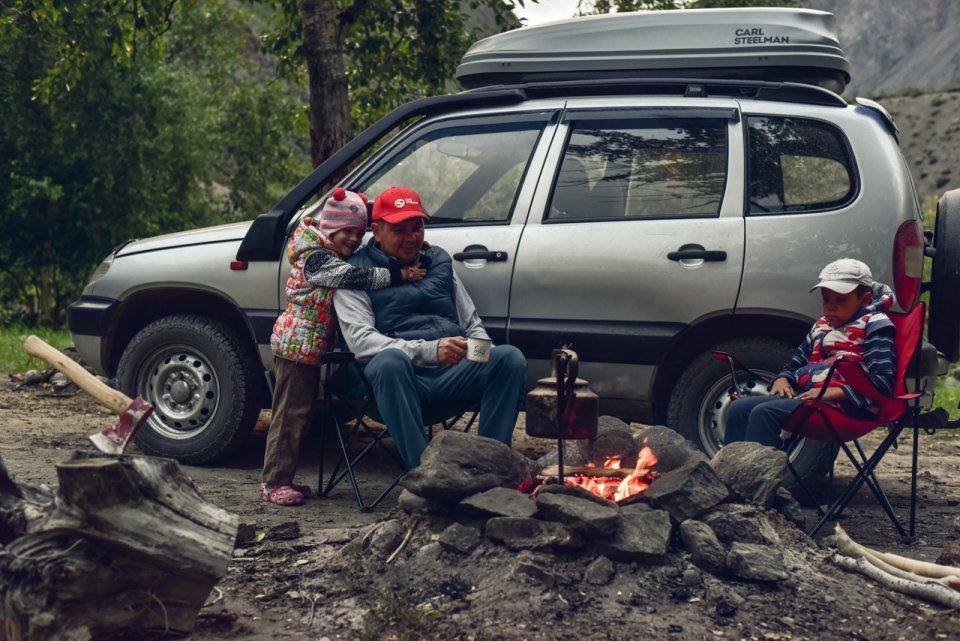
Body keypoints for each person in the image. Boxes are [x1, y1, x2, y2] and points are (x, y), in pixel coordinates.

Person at [333, 186, 528, 469]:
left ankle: (490, 469)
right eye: (400, 230)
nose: (411, 238)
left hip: (451, 375)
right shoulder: (355, 273)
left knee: (507, 358)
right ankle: (425, 475)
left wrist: (483, 354)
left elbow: (471, 323)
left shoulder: (438, 261)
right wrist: (430, 351)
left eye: (418, 227)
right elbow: (361, 342)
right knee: (389, 362)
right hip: (396, 382)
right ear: (376, 230)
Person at [261, 187, 425, 506]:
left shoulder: (326, 252)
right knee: (289, 415)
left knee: (300, 412)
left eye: (358, 232)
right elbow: (354, 277)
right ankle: (273, 482)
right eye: (346, 231)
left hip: (307, 348)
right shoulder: (318, 259)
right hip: (296, 347)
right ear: (330, 228)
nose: (353, 239)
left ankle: (283, 478)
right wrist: (399, 273)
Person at [725, 258, 897, 448]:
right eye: (826, 298)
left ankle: (759, 476)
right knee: (737, 408)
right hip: (811, 400)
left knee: (764, 412)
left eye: (841, 299)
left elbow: (883, 384)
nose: (830, 306)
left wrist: (831, 393)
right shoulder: (821, 326)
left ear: (864, 300)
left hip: (849, 407)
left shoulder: (875, 324)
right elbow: (796, 363)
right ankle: (729, 473)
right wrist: (783, 379)